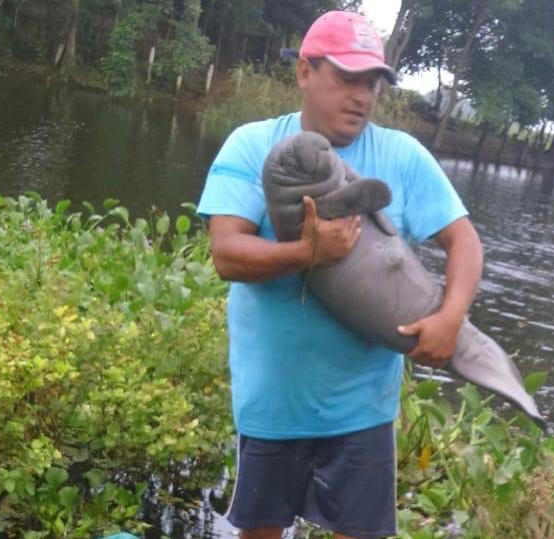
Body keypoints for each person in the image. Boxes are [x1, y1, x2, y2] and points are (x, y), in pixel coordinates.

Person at [197, 10, 483, 539]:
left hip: (362, 409)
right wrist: (306, 252)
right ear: (305, 72)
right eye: (347, 78)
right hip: (274, 402)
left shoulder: (403, 154)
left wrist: (451, 315)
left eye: (372, 81)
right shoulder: (251, 144)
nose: (362, 95)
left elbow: (463, 240)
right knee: (260, 532)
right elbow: (227, 254)